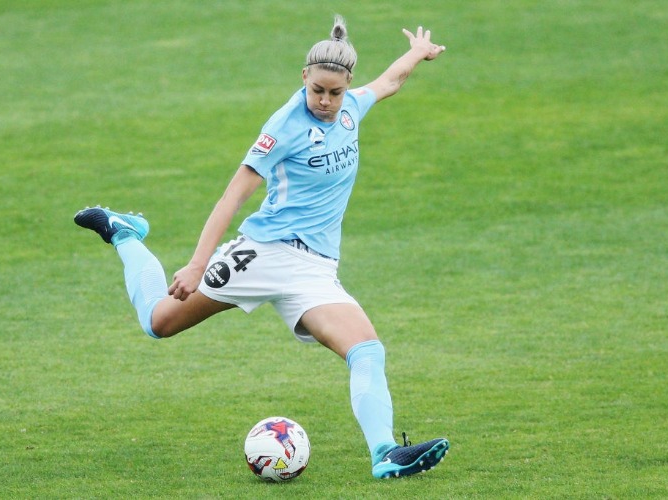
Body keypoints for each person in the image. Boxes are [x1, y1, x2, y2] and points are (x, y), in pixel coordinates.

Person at [74, 15, 447, 479]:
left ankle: (385, 453)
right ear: (304, 79)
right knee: (159, 322)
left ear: (347, 85)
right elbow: (232, 196)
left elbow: (390, 82)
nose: (326, 102)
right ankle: (125, 233)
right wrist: (195, 265)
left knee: (367, 350)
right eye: (317, 91)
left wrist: (417, 53)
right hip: (264, 254)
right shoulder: (284, 126)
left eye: (335, 92)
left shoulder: (352, 107)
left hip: (315, 270)